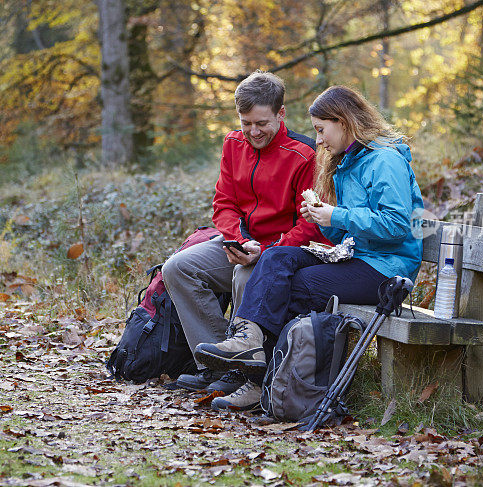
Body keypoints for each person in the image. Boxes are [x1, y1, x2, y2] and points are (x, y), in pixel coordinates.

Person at [194, 85, 424, 411]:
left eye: (321, 129)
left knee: (300, 285)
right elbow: (348, 228)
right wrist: (322, 218)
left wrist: (336, 214)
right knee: (276, 257)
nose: (318, 140)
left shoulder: (384, 161)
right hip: (357, 255)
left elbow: (398, 225)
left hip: (389, 268)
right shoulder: (348, 161)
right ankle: (248, 342)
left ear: (343, 122)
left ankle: (269, 384)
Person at [161, 71, 328, 397]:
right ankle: (217, 364)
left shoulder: (305, 156)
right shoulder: (233, 144)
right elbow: (224, 203)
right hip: (241, 243)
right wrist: (236, 238)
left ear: (281, 114)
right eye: (245, 122)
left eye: (262, 123)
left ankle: (244, 371)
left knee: (244, 275)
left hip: (283, 252)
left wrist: (264, 251)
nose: (253, 131)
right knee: (178, 268)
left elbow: (310, 226)